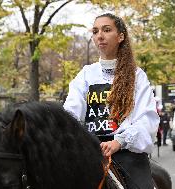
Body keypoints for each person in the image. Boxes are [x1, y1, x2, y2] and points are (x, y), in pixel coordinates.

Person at [63, 13, 159, 189]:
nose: (100, 35)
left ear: (120, 36)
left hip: (127, 154)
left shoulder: (137, 75)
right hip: (90, 153)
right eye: (95, 31)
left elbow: (147, 119)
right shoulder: (85, 74)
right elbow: (70, 113)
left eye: (107, 30)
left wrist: (119, 142)